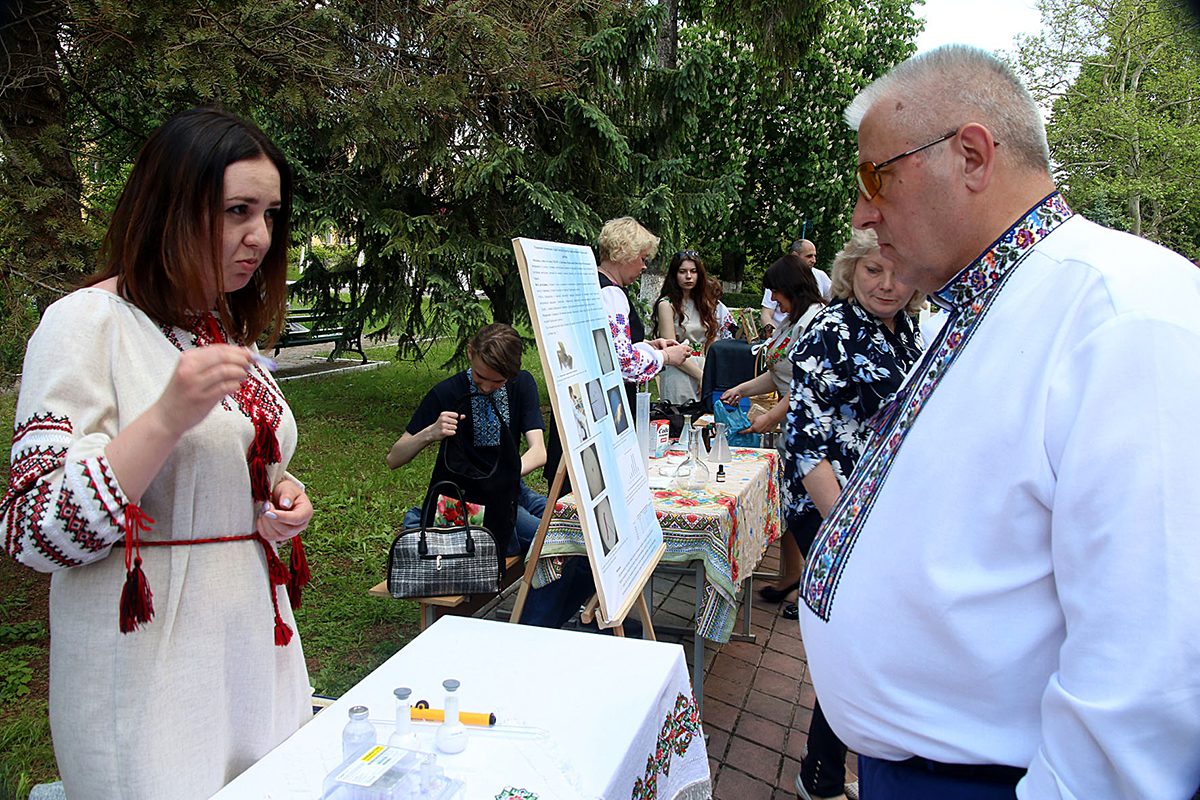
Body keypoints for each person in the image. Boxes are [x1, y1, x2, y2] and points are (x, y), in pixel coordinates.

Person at [797, 44, 1200, 797]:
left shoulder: (1122, 312)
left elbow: (1148, 692)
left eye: (876, 176)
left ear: (972, 157)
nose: (861, 213)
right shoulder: (980, 301)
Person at [0, 108, 314, 798]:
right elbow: (29, 529)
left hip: (253, 642)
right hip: (149, 665)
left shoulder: (215, 328)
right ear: (172, 208)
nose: (260, 236)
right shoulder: (84, 322)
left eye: (269, 214)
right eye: (237, 210)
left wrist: (279, 498)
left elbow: (226, 466)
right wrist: (168, 416)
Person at [784, 228, 923, 799]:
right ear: (849, 271)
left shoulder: (907, 326)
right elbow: (806, 441)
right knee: (859, 639)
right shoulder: (830, 328)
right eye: (873, 270)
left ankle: (824, 767)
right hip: (830, 505)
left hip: (881, 510)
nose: (887, 284)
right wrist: (848, 532)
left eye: (898, 271)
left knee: (863, 640)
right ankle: (821, 774)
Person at [719, 253, 825, 608]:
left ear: (791, 287)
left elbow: (805, 386)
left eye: (776, 292)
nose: (773, 299)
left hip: (810, 431)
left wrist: (770, 419)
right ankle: (792, 576)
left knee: (809, 511)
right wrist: (742, 389)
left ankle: (812, 590)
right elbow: (778, 374)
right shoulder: (791, 322)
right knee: (792, 506)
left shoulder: (815, 323)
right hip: (791, 426)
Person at [386, 323, 546, 558]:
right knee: (553, 539)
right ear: (470, 352)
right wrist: (430, 432)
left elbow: (539, 452)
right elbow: (394, 458)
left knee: (576, 524)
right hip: (471, 500)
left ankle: (424, 516)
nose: (487, 388)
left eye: (498, 382)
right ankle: (424, 517)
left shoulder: (520, 383)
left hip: (513, 490)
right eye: (480, 377)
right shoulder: (448, 392)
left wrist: (501, 479)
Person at [653, 250, 732, 404]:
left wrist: (709, 374)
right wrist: (701, 376)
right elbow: (671, 350)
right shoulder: (666, 305)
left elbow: (711, 343)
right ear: (674, 274)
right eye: (682, 272)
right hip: (679, 371)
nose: (688, 276)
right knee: (680, 415)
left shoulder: (704, 303)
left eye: (693, 271)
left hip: (703, 368)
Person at [761, 239, 832, 334]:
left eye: (814, 256)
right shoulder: (791, 320)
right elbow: (766, 315)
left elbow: (835, 300)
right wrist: (772, 333)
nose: (814, 260)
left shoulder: (808, 324)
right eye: (809, 256)